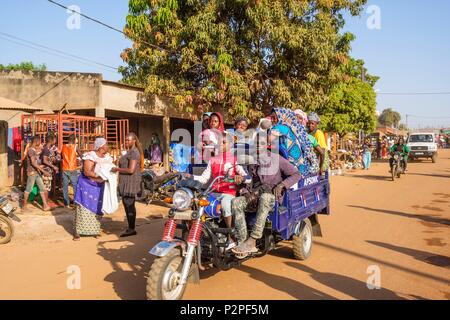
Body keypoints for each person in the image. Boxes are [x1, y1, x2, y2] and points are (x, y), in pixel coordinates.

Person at [231, 135, 302, 257]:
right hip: (254, 197)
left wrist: (282, 185)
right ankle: (243, 242)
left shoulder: (277, 159)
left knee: (265, 197)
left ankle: (253, 240)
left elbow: (296, 174)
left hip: (271, 198)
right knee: (236, 202)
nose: (258, 145)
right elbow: (246, 180)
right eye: (256, 143)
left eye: (261, 143)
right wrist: (246, 193)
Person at [190, 132, 250, 248]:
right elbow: (204, 178)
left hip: (228, 193)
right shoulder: (213, 160)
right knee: (196, 202)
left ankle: (231, 237)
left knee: (226, 204)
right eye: (219, 142)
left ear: (230, 144)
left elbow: (248, 178)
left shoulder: (234, 160)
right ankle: (198, 234)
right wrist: (190, 176)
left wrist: (241, 178)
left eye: (224, 142)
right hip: (213, 193)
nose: (221, 145)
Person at [73, 138, 111, 241]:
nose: (108, 146)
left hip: (99, 186)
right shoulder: (91, 156)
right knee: (83, 208)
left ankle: (95, 230)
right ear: (101, 146)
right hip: (87, 185)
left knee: (97, 207)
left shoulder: (106, 157)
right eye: (106, 144)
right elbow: (86, 172)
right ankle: (78, 232)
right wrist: (101, 176)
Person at [270, 108, 320, 176]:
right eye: (271, 118)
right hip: (301, 166)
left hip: (294, 167)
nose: (272, 120)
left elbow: (267, 139)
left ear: (282, 117)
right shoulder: (293, 129)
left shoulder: (281, 127)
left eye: (274, 118)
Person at [112, 132, 143, 237]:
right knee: (127, 204)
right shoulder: (129, 152)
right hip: (126, 182)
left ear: (134, 141)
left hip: (130, 182)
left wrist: (117, 169)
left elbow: (131, 170)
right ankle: (131, 227)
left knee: (129, 205)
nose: (126, 142)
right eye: (125, 140)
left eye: (128, 140)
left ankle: (131, 229)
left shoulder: (134, 152)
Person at [23, 136, 51, 211]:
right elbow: (33, 163)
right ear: (36, 141)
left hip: (36, 172)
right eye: (39, 141)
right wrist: (43, 171)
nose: (40, 143)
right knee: (28, 189)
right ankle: (24, 206)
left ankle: (45, 205)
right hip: (32, 172)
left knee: (42, 188)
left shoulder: (33, 150)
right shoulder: (31, 150)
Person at [61, 134, 82, 208]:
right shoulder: (75, 147)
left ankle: (67, 203)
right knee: (75, 186)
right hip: (72, 168)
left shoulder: (63, 146)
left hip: (64, 168)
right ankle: (76, 203)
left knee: (65, 186)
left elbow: (61, 156)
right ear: (74, 140)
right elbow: (81, 156)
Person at [41, 133, 60, 201]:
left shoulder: (48, 148)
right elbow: (44, 160)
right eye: (54, 140)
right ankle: (45, 203)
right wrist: (53, 166)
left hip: (48, 170)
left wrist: (53, 158)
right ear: (51, 140)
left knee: (47, 187)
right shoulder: (46, 149)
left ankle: (45, 202)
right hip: (46, 170)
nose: (55, 141)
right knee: (46, 188)